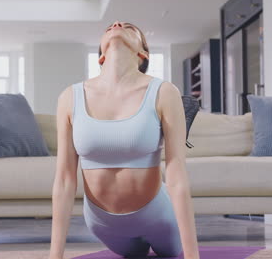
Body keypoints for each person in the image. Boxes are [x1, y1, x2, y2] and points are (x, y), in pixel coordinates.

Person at [49, 20, 200, 259]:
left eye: (129, 27)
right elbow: (64, 180)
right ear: (101, 55)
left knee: (170, 253)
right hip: (103, 223)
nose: (117, 24)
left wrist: (193, 256)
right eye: (109, 27)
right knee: (134, 255)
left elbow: (177, 174)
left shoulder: (163, 92)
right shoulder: (70, 96)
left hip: (158, 216)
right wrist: (54, 257)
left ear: (143, 52)